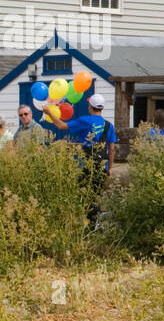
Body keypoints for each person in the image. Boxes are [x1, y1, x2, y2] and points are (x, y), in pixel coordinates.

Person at [46, 93, 117, 225]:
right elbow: (111, 149)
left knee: (81, 196)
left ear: (91, 106)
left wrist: (49, 112)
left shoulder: (85, 121)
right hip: (101, 166)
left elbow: (61, 126)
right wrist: (109, 168)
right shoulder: (109, 125)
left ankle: (91, 223)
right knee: (94, 196)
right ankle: (94, 223)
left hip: (86, 165)